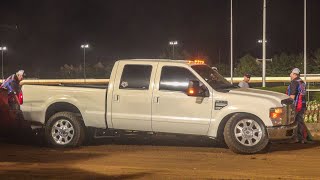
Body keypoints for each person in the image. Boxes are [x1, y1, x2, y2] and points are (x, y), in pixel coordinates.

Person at [286, 68, 312, 144]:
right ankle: (302, 138)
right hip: (302, 105)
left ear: (294, 74)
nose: (290, 74)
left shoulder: (294, 82)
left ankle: (296, 138)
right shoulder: (302, 82)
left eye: (291, 73)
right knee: (299, 121)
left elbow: (292, 96)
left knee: (292, 122)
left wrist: (287, 104)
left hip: (296, 105)